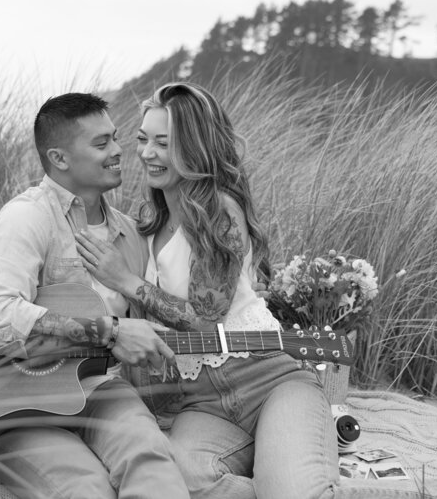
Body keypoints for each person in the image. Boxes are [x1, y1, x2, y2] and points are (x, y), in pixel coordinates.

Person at [74, 82, 342, 499]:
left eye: (164, 143)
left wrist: (125, 280)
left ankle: (284, 473)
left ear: (194, 147)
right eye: (143, 139)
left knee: (293, 491)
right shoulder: (147, 222)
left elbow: (204, 320)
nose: (147, 153)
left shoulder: (219, 210)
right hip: (200, 402)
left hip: (268, 379)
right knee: (184, 484)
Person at [0, 93, 190, 499]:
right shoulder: (28, 216)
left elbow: (168, 311)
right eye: (101, 143)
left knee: (150, 457)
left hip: (101, 389)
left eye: (116, 138)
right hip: (18, 406)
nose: (119, 150)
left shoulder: (130, 233)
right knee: (84, 487)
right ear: (59, 158)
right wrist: (110, 331)